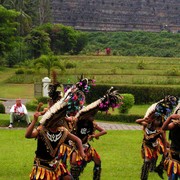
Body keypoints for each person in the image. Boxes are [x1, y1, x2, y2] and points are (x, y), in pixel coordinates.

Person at [25, 111, 86, 180]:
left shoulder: (62, 131)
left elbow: (77, 140)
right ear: (52, 120)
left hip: (55, 163)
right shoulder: (42, 130)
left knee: (69, 178)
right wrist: (34, 121)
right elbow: (28, 135)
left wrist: (82, 152)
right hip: (41, 164)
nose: (62, 120)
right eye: (59, 119)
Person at [162, 113, 180, 180]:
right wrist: (170, 117)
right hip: (175, 155)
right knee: (173, 176)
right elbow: (164, 128)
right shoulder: (176, 124)